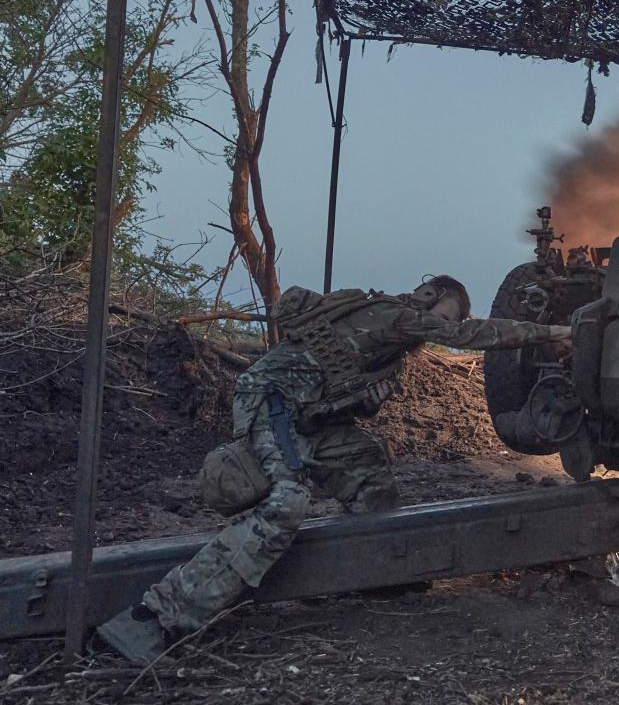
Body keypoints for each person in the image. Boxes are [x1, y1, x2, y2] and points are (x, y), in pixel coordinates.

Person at [96, 275, 569, 663]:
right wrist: (554, 333)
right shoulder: (395, 314)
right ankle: (157, 617)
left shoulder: (391, 347)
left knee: (367, 467)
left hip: (311, 415)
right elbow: (473, 337)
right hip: (273, 400)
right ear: (428, 297)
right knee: (286, 503)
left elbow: (344, 396)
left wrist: (366, 401)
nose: (438, 327)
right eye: (443, 315)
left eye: (444, 320)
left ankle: (380, 574)